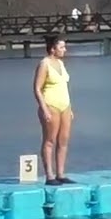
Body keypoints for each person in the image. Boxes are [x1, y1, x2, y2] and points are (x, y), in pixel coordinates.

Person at [33, 34, 75, 185]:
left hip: (65, 105)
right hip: (51, 106)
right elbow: (37, 88)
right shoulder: (44, 64)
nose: (65, 50)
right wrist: (44, 109)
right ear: (52, 49)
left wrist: (70, 108)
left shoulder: (61, 63)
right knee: (49, 140)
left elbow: (64, 86)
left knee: (63, 141)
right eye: (62, 47)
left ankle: (61, 173)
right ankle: (49, 175)